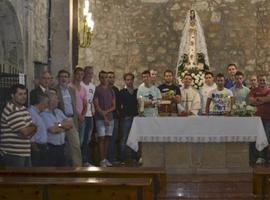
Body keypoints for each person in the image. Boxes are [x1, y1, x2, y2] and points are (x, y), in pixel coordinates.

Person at [0, 84, 37, 167]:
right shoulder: (11, 110)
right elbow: (25, 131)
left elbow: (30, 131)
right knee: (16, 179)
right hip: (12, 154)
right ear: (12, 95)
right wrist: (32, 128)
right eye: (20, 94)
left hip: (25, 152)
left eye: (25, 94)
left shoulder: (23, 109)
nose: (23, 97)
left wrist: (32, 129)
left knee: (28, 179)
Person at [55, 69, 82, 166]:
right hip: (60, 121)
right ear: (58, 78)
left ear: (69, 79)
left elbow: (73, 106)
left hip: (71, 120)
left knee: (75, 145)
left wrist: (75, 120)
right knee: (62, 146)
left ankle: (78, 168)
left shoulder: (71, 90)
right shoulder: (54, 90)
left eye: (66, 77)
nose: (64, 79)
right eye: (62, 76)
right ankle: (64, 167)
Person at [41, 89, 72, 166]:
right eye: (56, 99)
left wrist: (58, 124)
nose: (58, 101)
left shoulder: (59, 112)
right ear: (50, 101)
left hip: (62, 147)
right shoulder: (44, 114)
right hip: (51, 149)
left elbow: (70, 125)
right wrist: (62, 125)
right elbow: (53, 130)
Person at [94, 71, 115, 167]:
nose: (104, 79)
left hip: (110, 118)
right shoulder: (97, 89)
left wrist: (106, 114)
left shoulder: (111, 90)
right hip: (100, 118)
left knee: (107, 138)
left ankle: (105, 158)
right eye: (102, 77)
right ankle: (101, 159)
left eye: (106, 77)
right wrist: (103, 116)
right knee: (101, 138)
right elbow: (96, 105)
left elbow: (114, 106)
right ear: (99, 78)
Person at [248, 75, 270, 164]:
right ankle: (255, 159)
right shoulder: (253, 91)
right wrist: (264, 100)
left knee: (267, 138)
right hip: (256, 119)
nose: (262, 82)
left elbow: (269, 98)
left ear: (266, 80)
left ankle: (264, 158)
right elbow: (250, 101)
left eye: (263, 80)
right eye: (260, 80)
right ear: (258, 81)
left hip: (267, 118)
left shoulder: (269, 90)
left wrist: (257, 99)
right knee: (254, 138)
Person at [119, 73, 138, 164]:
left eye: (131, 79)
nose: (129, 81)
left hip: (135, 118)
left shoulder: (137, 91)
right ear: (125, 81)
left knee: (135, 137)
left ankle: (135, 158)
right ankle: (122, 159)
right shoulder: (122, 92)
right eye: (127, 79)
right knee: (124, 138)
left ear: (133, 80)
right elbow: (119, 106)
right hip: (126, 118)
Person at [72, 67, 88, 166]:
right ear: (74, 74)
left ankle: (80, 162)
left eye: (82, 74)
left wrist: (83, 115)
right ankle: (75, 162)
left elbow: (85, 104)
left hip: (82, 117)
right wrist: (78, 115)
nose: (80, 76)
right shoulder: (70, 87)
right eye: (78, 74)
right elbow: (71, 104)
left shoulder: (83, 89)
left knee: (81, 141)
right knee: (75, 142)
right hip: (73, 117)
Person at [28, 93, 49, 166]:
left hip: (42, 147)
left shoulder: (38, 114)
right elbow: (30, 131)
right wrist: (35, 149)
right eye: (46, 102)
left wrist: (59, 125)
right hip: (36, 147)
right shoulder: (31, 113)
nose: (47, 105)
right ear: (41, 102)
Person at [81, 66, 96, 166]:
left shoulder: (92, 86)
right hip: (82, 115)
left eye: (91, 73)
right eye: (88, 73)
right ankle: (81, 159)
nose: (90, 75)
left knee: (88, 138)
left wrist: (93, 109)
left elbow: (91, 100)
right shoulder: (80, 85)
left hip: (90, 115)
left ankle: (86, 160)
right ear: (84, 74)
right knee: (81, 138)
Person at [107, 71, 121, 164]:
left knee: (113, 138)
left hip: (115, 117)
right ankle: (106, 158)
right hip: (106, 117)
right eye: (109, 77)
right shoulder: (103, 89)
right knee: (106, 138)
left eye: (112, 77)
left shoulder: (116, 89)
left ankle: (112, 158)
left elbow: (118, 104)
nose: (111, 78)